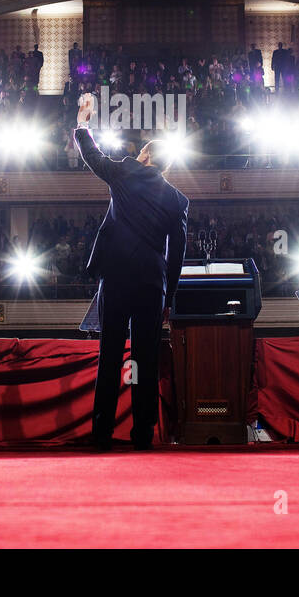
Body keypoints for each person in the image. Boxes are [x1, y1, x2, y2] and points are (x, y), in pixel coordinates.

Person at [73, 93, 188, 451]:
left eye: (142, 151)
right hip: (151, 285)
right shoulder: (177, 200)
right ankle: (142, 436)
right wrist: (168, 297)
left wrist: (82, 124)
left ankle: (102, 434)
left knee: (110, 356)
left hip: (118, 279)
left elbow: (92, 157)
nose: (137, 153)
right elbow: (177, 256)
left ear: (148, 157)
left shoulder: (124, 171)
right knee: (144, 360)